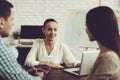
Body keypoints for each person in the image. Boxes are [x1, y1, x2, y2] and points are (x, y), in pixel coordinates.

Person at [0, 0, 44, 80]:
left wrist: (24, 73)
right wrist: (39, 77)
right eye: (12, 19)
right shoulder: (1, 49)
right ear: (1, 22)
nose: (13, 23)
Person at [86, 6, 120, 80]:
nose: (86, 30)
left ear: (96, 27)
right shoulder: (105, 53)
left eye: (87, 25)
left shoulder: (108, 58)